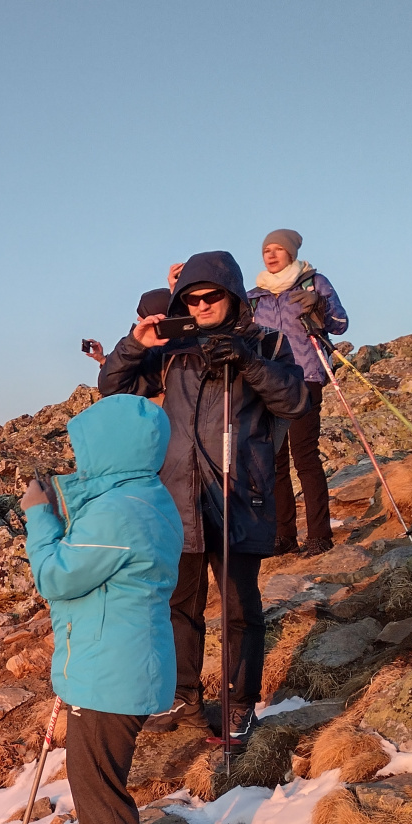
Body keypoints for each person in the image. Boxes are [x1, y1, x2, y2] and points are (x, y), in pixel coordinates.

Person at [98, 252, 308, 742]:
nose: (200, 305)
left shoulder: (267, 342)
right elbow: (112, 387)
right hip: (178, 502)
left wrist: (249, 362)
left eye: (209, 296)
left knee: (239, 608)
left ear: (232, 293)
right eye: (190, 299)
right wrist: (135, 343)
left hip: (239, 495)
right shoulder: (173, 351)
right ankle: (183, 699)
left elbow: (295, 401)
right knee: (179, 606)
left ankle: (240, 703)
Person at [19, 393, 183, 824]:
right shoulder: (141, 498)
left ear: (110, 448)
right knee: (92, 790)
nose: (77, 456)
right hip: (114, 667)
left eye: (84, 447)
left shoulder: (120, 512)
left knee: (101, 794)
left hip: (111, 675)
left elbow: (55, 577)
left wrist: (39, 516)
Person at [247, 229, 349, 556]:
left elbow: (340, 323)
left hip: (306, 378)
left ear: (291, 252)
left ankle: (319, 535)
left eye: (278, 249)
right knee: (274, 462)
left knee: (304, 457)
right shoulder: (253, 297)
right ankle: (283, 536)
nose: (272, 255)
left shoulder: (313, 282)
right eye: (267, 250)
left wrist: (318, 304)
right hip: (270, 385)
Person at [82, 288, 171, 369]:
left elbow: (135, 380)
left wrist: (135, 345)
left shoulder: (162, 354)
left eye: (143, 314)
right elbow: (124, 377)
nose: (138, 318)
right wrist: (102, 359)